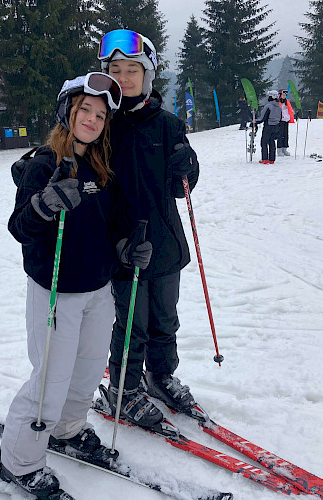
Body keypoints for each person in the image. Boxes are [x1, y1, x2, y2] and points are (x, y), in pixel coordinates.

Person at [0, 72, 152, 499]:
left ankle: (66, 430)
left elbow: (111, 227)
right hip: (55, 293)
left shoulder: (102, 169)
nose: (92, 120)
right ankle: (19, 462)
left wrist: (127, 250)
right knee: (51, 380)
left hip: (97, 291)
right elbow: (19, 228)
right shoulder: (43, 165)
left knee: (85, 374)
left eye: (100, 115)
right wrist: (43, 205)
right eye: (85, 109)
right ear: (67, 112)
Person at [97, 29, 202, 429]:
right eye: (115, 70)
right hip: (125, 245)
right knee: (131, 324)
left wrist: (188, 167)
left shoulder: (168, 125)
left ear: (147, 75)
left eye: (132, 70)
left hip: (165, 241)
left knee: (164, 318)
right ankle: (124, 390)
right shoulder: (103, 124)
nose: (123, 78)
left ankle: (160, 375)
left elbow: (180, 187)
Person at [254, 89, 282, 165]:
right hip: (276, 126)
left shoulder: (268, 106)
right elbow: (280, 118)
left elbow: (263, 118)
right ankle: (272, 159)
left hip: (268, 126)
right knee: (272, 142)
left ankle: (265, 159)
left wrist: (255, 121)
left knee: (264, 142)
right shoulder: (279, 107)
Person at [277, 89, 295, 156]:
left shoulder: (287, 102)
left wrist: (292, 112)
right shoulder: (278, 102)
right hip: (280, 120)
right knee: (280, 134)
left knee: (286, 134)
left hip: (286, 119)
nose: (284, 96)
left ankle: (284, 148)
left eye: (285, 95)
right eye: (283, 95)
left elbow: (290, 109)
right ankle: (279, 149)